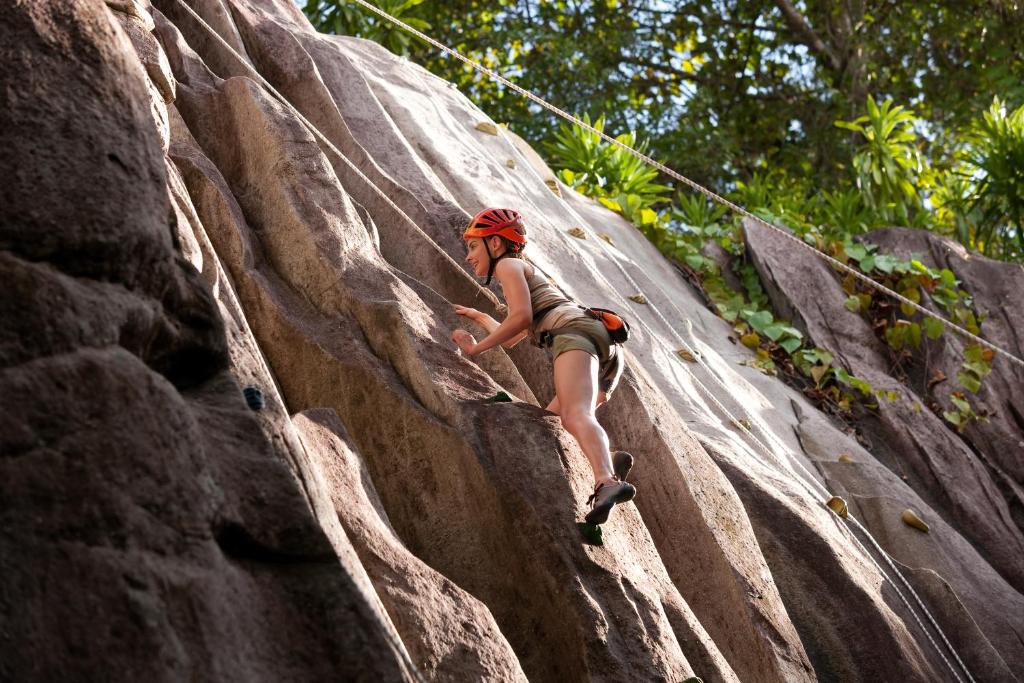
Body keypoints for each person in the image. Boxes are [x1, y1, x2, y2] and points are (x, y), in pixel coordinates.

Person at [450, 207, 636, 525]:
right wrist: (477, 316)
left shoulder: (508, 264)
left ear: (495, 244)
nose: (469, 257)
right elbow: (514, 334)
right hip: (602, 348)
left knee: (577, 415)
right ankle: (611, 461)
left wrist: (476, 348)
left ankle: (607, 482)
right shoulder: (524, 272)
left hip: (574, 335)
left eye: (472, 246)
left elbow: (520, 317)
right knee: (552, 422)